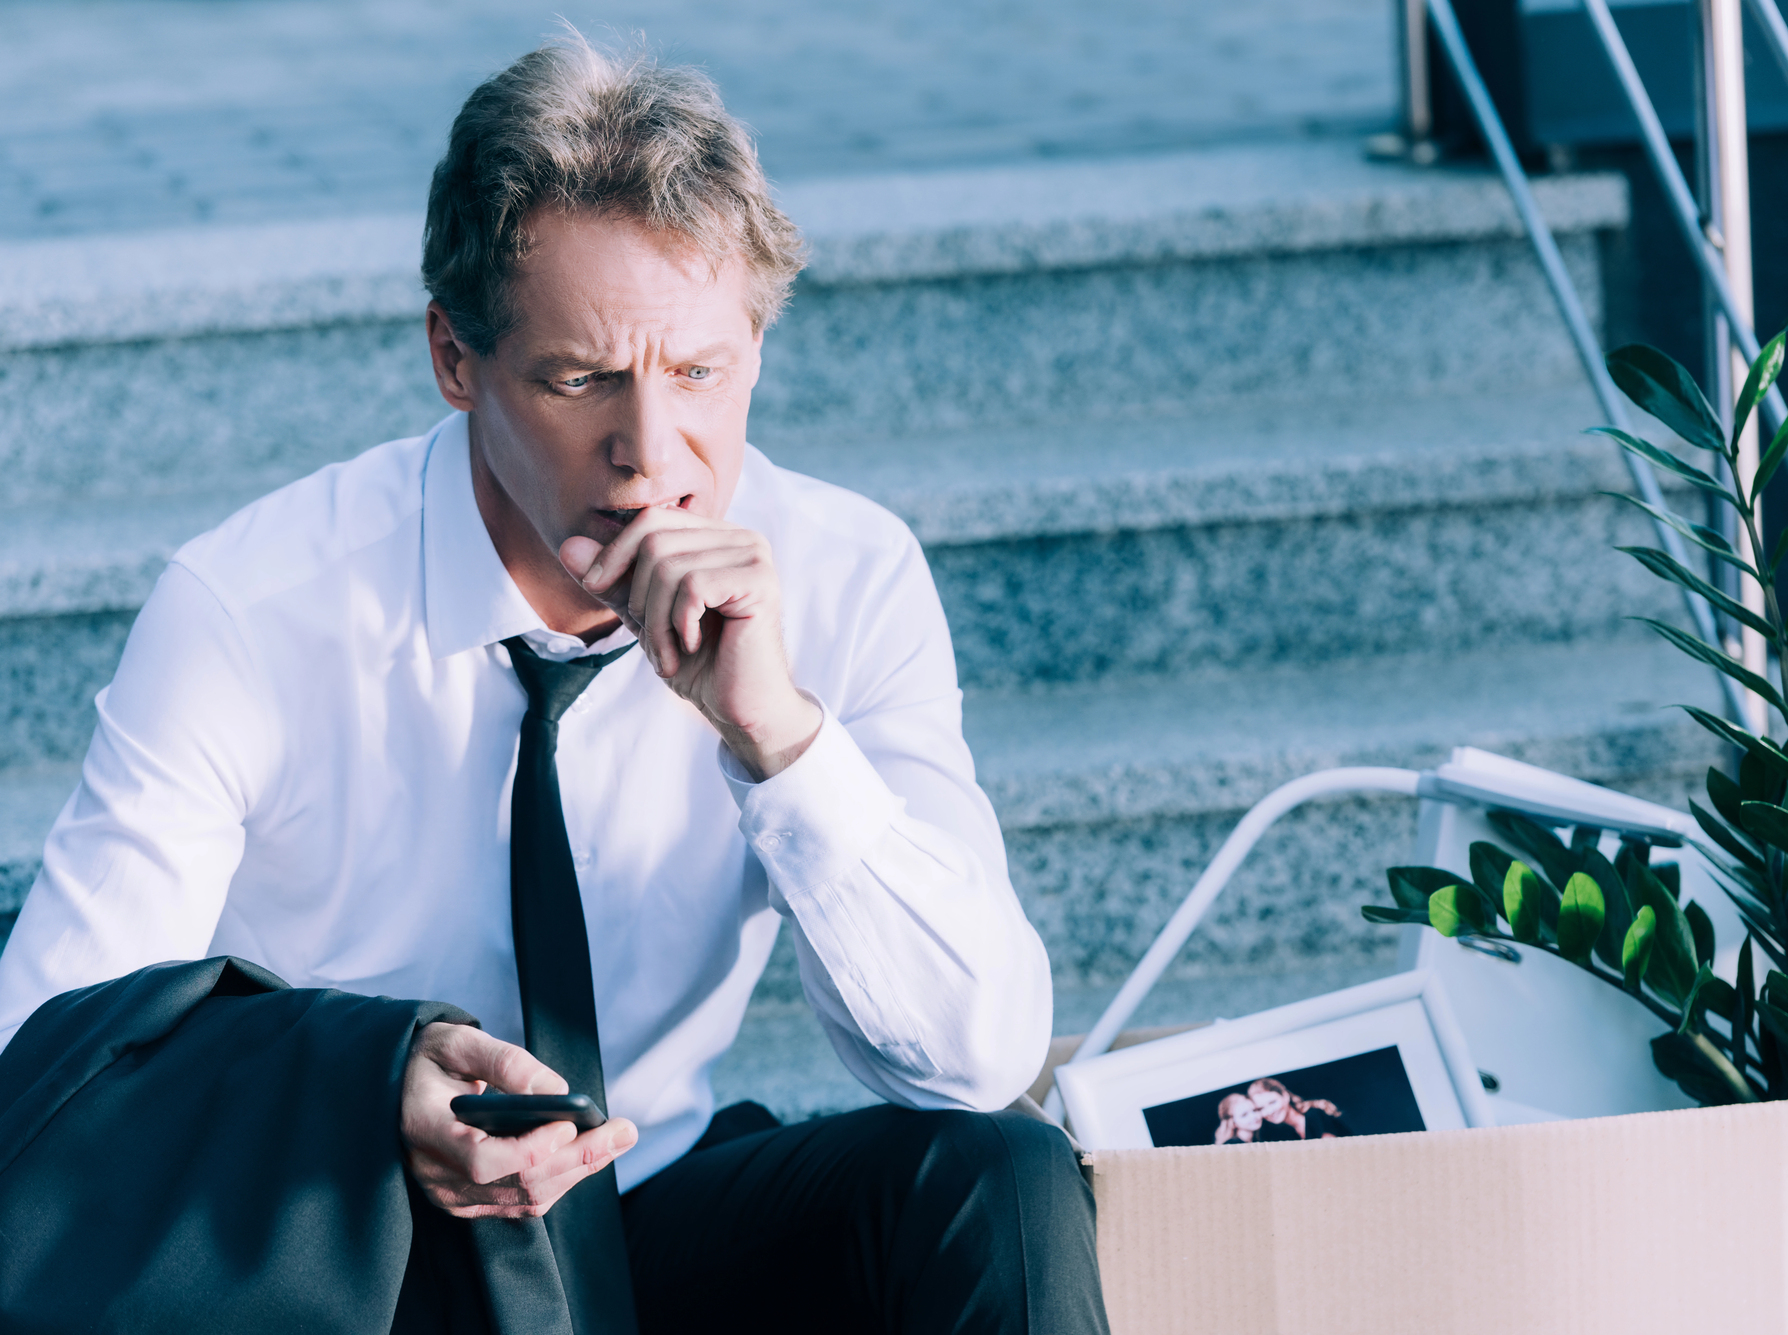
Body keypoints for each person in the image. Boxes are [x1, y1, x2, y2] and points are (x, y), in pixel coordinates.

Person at [0, 34, 1106, 1335]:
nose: (651, 457)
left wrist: (779, 739)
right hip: (366, 1250)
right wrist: (365, 1089)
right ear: (455, 359)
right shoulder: (255, 608)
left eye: (699, 372)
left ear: (756, 341)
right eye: (582, 380)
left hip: (651, 1205)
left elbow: (974, 1057)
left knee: (992, 1178)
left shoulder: (848, 573)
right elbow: (48, 1059)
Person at [1247, 1078, 1351, 1142]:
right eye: (1261, 1108)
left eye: (1272, 1103)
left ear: (1285, 1096)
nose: (1269, 1111)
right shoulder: (1280, 1134)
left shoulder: (1314, 1115)